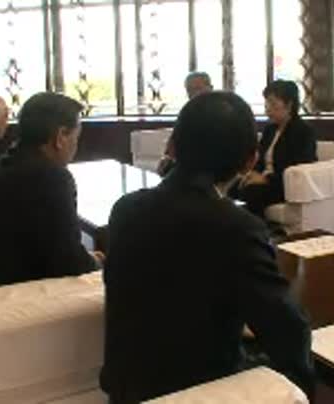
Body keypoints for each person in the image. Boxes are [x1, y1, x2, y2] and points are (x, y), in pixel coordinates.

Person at [101, 91, 314, 403]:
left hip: (125, 388)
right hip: (198, 391)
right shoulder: (237, 226)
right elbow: (286, 327)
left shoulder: (125, 208)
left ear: (172, 146)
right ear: (249, 160)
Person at [0, 92, 101, 291]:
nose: (76, 145)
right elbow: (69, 263)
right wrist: (95, 262)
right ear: (60, 137)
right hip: (20, 295)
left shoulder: (7, 162)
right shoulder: (52, 178)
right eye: (76, 137)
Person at [235, 79, 317, 217]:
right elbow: (260, 159)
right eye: (266, 103)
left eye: (273, 104)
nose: (267, 109)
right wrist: (251, 173)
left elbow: (299, 167)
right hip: (265, 180)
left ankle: (256, 228)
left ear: (289, 105)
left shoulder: (303, 131)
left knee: (252, 192)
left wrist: (266, 179)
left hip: (284, 185)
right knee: (233, 186)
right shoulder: (270, 129)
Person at [156, 72, 214, 177]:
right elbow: (173, 144)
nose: (194, 94)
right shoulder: (186, 113)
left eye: (198, 89)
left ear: (210, 88)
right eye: (189, 90)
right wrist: (167, 158)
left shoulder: (223, 111)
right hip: (188, 166)